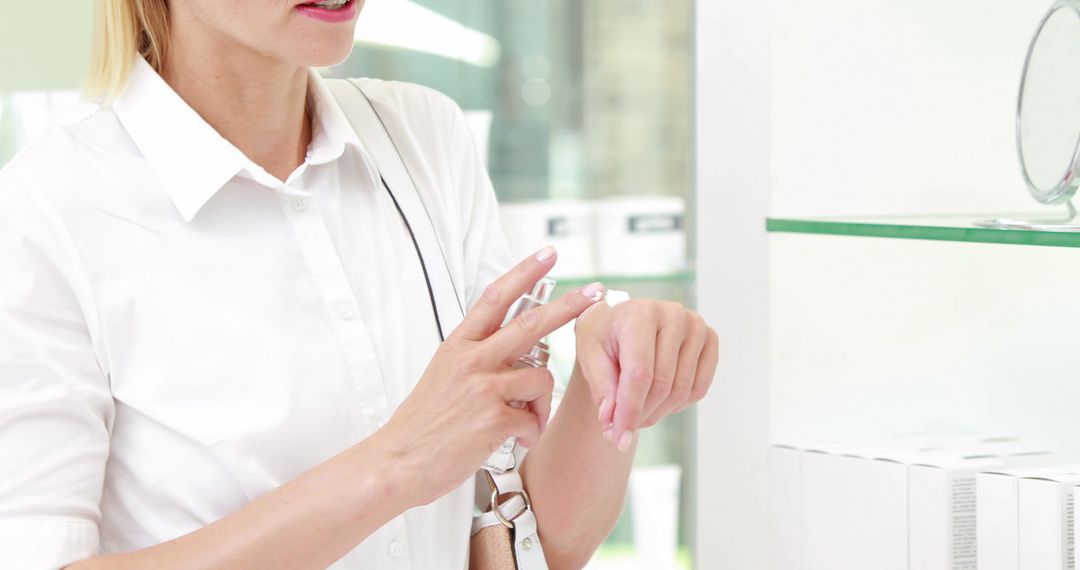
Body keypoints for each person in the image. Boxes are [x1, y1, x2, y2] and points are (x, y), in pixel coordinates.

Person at [0, 0, 719, 568]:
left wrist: (613, 385)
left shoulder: (424, 139)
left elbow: (523, 549)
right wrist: (394, 466)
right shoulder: (46, 211)